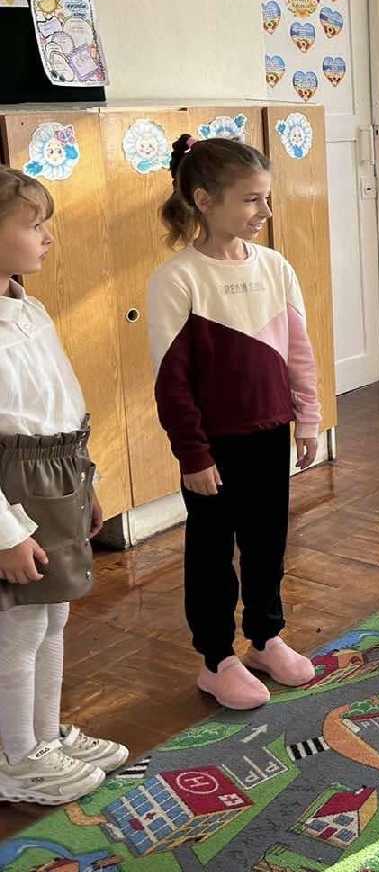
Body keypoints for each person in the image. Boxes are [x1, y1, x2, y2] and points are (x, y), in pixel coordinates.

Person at [148, 136, 322, 711]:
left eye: (266, 198)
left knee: (268, 542)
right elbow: (171, 382)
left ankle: (266, 638)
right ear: (204, 200)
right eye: (251, 200)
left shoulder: (275, 267)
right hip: (213, 448)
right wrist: (193, 454)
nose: (264, 211)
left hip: (270, 433)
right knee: (211, 551)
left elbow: (299, 352)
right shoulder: (178, 278)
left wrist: (308, 419)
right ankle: (216, 658)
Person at [0, 168, 129, 804]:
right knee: (18, 629)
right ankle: (14, 757)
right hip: (13, 491)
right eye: (34, 224)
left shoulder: (29, 307)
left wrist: (88, 479)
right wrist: (6, 534)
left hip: (57, 475)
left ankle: (44, 737)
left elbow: (62, 400)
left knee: (54, 616)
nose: (47, 236)